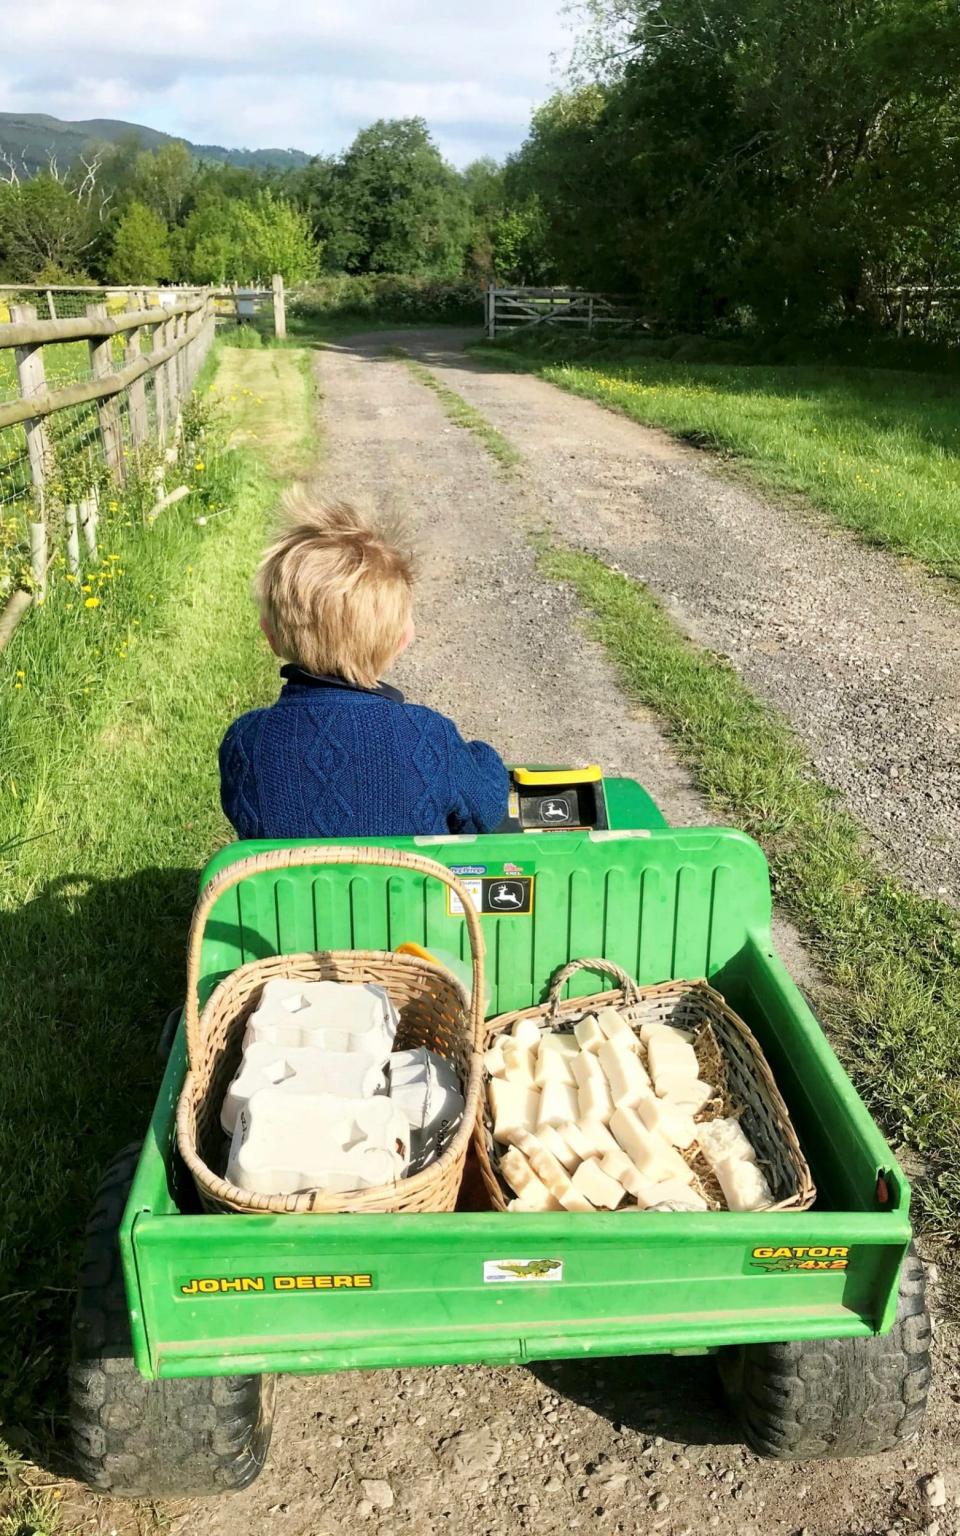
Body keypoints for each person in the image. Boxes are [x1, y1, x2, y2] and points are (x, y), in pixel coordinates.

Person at [219, 490, 509, 840]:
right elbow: (487, 812)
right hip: (412, 894)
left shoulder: (246, 740)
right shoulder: (430, 737)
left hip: (289, 895)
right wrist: (482, 756)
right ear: (403, 638)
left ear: (271, 636)